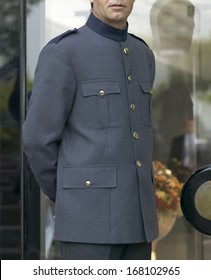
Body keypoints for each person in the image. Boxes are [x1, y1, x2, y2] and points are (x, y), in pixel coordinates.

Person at [22, 0, 158, 260]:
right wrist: (70, 193)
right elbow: (38, 140)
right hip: (87, 223)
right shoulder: (64, 52)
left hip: (139, 223)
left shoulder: (143, 54)